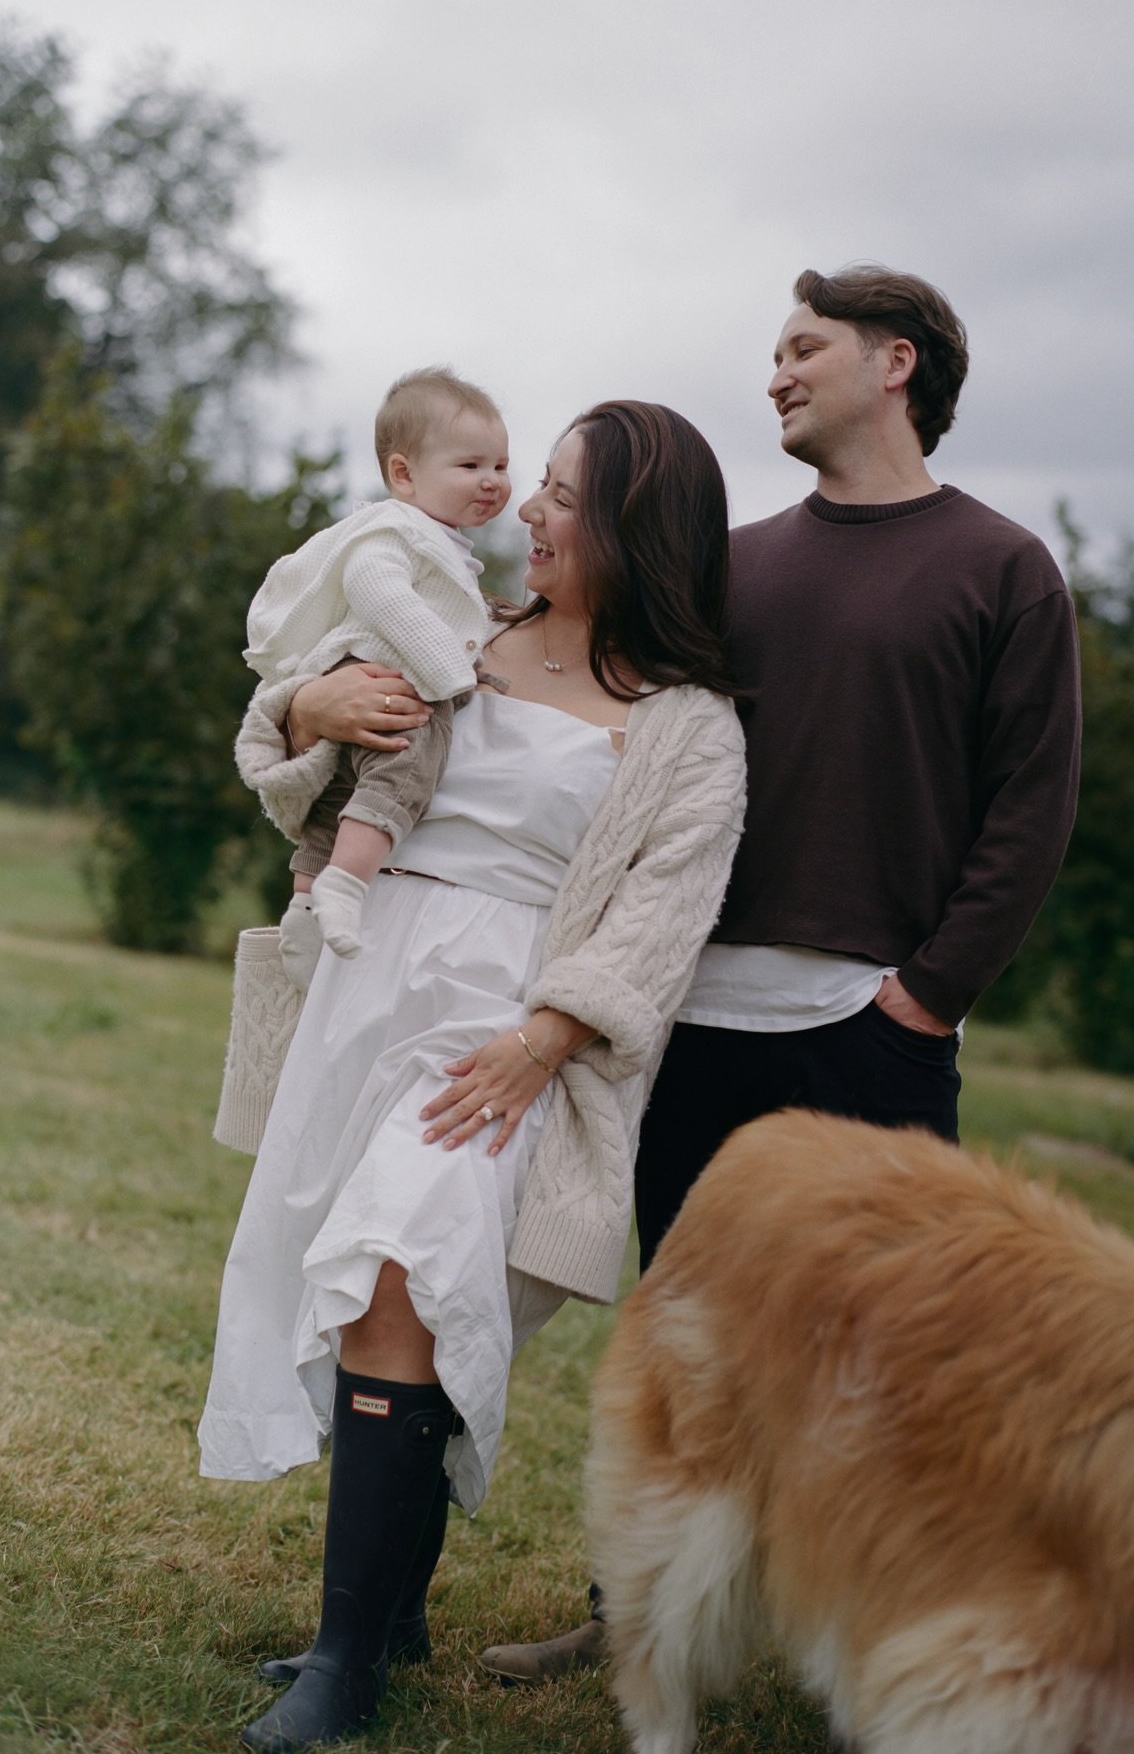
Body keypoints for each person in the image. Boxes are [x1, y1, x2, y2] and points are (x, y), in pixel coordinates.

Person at [479, 262, 1083, 1682]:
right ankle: (640, 1617)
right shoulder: (735, 564)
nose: (774, 373)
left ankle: (868, 1646)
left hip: (868, 1028)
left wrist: (925, 998)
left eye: (802, 348)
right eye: (771, 351)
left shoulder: (1003, 570)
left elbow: (1031, 809)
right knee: (683, 1340)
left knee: (877, 1358)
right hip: (686, 1018)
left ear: (898, 363)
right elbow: (609, 712)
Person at [197, 399, 748, 1753]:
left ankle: (344, 1668)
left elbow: (657, 930)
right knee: (382, 1282)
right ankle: (385, 1618)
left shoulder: (692, 729)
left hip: (506, 1035)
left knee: (404, 1272)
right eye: (535, 486)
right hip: (368, 981)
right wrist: (309, 704)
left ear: (628, 528)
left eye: (560, 495)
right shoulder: (464, 631)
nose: (529, 512)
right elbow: (292, 742)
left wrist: (542, 1042)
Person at [243, 366, 510, 983]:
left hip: (369, 669)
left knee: (339, 795)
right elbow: (378, 591)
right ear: (403, 474)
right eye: (470, 466)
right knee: (406, 765)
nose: (493, 482)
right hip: (388, 671)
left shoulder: (440, 541)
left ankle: (306, 907)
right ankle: (347, 883)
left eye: (500, 465)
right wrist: (450, 676)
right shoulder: (397, 530)